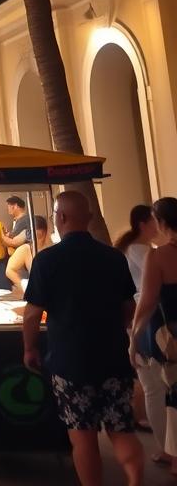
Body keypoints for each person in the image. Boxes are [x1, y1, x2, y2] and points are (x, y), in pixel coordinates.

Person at [24, 191, 141, 486]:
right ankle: (135, 480)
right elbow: (129, 308)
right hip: (114, 358)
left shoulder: (47, 260)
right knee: (122, 430)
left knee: (83, 437)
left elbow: (31, 315)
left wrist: (30, 348)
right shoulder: (114, 257)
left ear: (60, 218)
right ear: (88, 218)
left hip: (70, 362)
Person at [118, 203, 169, 463]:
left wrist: (133, 335)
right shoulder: (142, 251)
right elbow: (148, 295)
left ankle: (165, 447)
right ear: (144, 224)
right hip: (154, 323)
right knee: (157, 387)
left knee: (154, 387)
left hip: (148, 324)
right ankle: (166, 446)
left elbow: (146, 296)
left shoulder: (147, 251)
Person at [131, 197, 177, 476]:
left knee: (173, 396)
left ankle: (175, 460)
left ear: (160, 222)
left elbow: (147, 301)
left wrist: (133, 337)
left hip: (172, 337)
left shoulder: (158, 255)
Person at [5, 215, 53, 288]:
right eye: (34, 236)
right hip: (38, 291)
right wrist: (25, 285)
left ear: (46, 232)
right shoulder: (26, 249)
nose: (37, 240)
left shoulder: (54, 248)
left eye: (40, 236)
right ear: (29, 235)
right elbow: (9, 270)